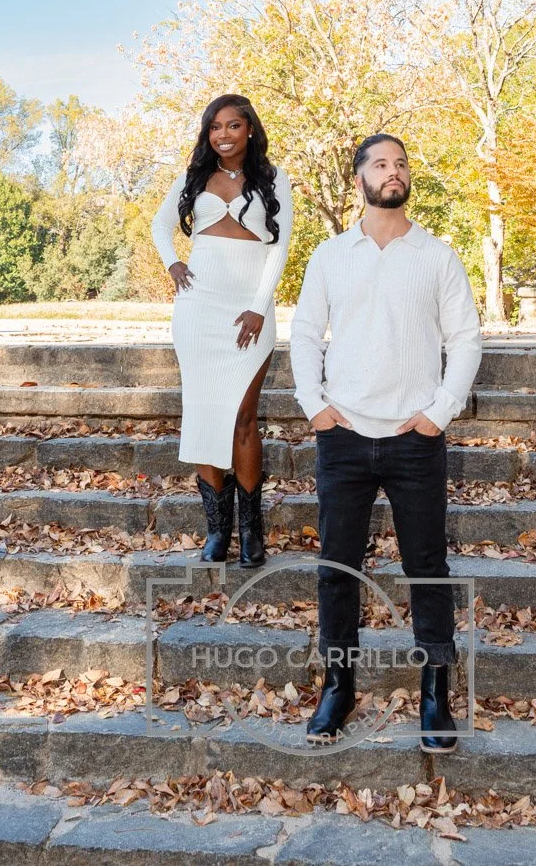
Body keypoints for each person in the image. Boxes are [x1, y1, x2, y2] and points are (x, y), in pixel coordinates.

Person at [290, 134, 482, 750]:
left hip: (414, 439)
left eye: (401, 163)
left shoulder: (438, 256)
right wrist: (315, 406)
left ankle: (435, 694)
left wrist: (439, 412)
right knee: (337, 570)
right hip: (343, 437)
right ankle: (337, 687)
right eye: (380, 163)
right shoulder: (329, 255)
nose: (393, 171)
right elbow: (301, 333)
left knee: (427, 569)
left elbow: (466, 340)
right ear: (359, 179)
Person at [151, 94, 293, 567]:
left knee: (243, 416)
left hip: (250, 307)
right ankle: (217, 531)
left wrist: (258, 307)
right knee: (203, 413)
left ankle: (252, 533)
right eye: (215, 127)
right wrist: (172, 261)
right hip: (199, 305)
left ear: (249, 129)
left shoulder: (274, 180)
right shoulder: (192, 179)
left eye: (233, 125)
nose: (223, 134)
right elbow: (159, 225)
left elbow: (280, 247)